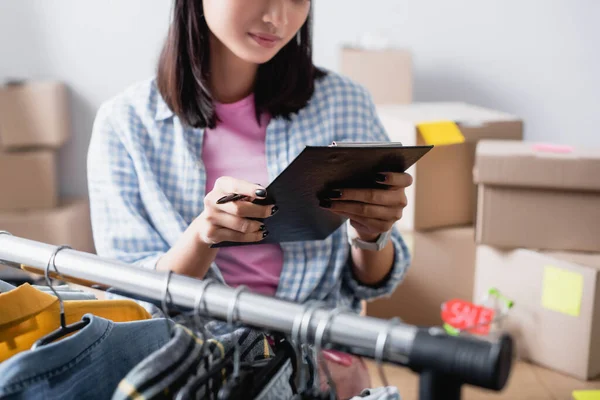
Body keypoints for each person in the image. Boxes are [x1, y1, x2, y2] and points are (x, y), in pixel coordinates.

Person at [87, 0, 412, 396]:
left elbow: (371, 283)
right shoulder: (124, 124)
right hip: (192, 363)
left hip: (317, 361)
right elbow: (127, 302)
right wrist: (201, 239)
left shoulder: (344, 103)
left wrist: (371, 233)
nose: (278, 18)